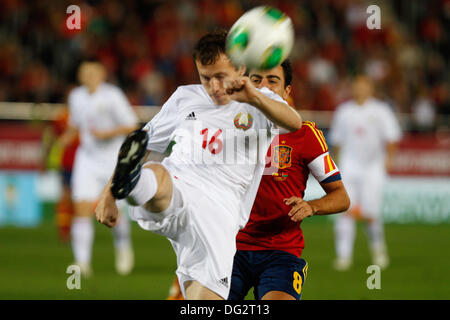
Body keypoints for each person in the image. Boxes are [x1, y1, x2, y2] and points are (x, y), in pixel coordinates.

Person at [95, 30, 303, 300]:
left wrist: (254, 97)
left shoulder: (260, 101)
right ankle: (132, 185)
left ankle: (136, 185)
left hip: (219, 210)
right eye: (205, 78)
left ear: (240, 67)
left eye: (220, 76)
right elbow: (142, 146)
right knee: (157, 174)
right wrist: (109, 193)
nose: (213, 87)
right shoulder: (185, 97)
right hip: (180, 184)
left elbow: (294, 122)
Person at [228, 60, 350, 300]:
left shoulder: (306, 135)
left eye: (272, 81)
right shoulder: (227, 129)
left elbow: (341, 197)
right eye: (256, 81)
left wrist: (312, 206)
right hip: (229, 248)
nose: (263, 87)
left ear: (287, 91)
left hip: (281, 252)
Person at [58, 59, 139, 276]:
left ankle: (123, 248)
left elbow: (132, 125)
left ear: (102, 73)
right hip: (87, 159)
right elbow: (75, 125)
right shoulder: (76, 97)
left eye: (93, 71)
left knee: (115, 212)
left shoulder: (112, 95)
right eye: (85, 72)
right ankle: (82, 263)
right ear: (80, 74)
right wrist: (66, 138)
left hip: (113, 159)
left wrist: (106, 134)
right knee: (82, 208)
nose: (89, 75)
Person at [329, 75, 402, 271]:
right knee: (345, 210)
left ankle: (378, 250)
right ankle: (343, 256)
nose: (360, 89)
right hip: (349, 166)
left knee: (371, 212)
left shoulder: (381, 110)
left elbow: (391, 137)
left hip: (373, 167)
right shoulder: (344, 111)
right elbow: (337, 142)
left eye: (363, 86)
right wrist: (336, 166)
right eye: (357, 86)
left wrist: (389, 159)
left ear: (370, 89)